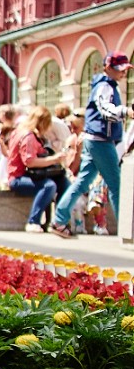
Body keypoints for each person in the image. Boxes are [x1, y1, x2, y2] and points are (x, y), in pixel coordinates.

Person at [53, 52, 131, 238]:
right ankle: (128, 229)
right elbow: (105, 109)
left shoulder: (106, 85)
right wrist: (125, 111)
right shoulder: (105, 86)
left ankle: (59, 220)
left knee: (83, 182)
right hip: (101, 141)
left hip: (94, 139)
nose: (123, 74)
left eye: (125, 70)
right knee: (115, 185)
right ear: (107, 68)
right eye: (119, 70)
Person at [8, 107, 74, 232]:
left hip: (30, 175)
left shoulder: (21, 132)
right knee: (48, 186)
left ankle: (59, 221)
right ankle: (33, 221)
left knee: (63, 183)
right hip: (18, 178)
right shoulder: (28, 137)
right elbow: (30, 162)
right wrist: (54, 159)